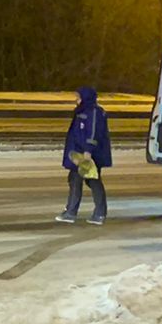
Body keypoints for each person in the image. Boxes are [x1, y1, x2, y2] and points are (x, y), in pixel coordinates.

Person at [56, 86, 111, 224]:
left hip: (86, 154)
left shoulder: (93, 112)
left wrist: (88, 150)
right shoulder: (83, 111)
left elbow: (92, 132)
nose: (76, 99)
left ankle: (72, 212)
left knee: (81, 180)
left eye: (78, 97)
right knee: (87, 180)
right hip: (79, 153)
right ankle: (98, 212)